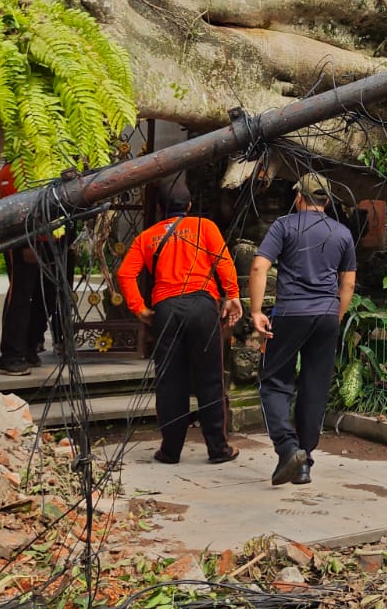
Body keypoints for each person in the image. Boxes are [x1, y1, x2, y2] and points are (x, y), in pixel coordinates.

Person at [117, 180, 243, 464]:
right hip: (202, 306)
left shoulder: (146, 237)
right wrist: (233, 295)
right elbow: (223, 261)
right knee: (210, 379)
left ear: (160, 208)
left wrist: (139, 308)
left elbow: (125, 274)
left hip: (166, 310)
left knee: (170, 381)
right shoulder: (205, 226)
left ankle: (170, 451)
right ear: (189, 205)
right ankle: (218, 449)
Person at [247, 172, 356, 486]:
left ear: (298, 197)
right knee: (314, 388)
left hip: (290, 313)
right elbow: (348, 283)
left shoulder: (284, 225)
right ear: (326, 202)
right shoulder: (342, 233)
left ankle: (287, 447)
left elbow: (259, 265)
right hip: (326, 314)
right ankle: (304, 462)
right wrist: (336, 315)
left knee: (273, 382)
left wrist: (256, 311)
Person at [0, 162, 64, 376]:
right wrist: (26, 244)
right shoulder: (13, 168)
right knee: (21, 296)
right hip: (24, 241)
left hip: (51, 239)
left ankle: (30, 345)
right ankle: (11, 355)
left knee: (48, 295)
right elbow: (13, 210)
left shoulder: (51, 163)